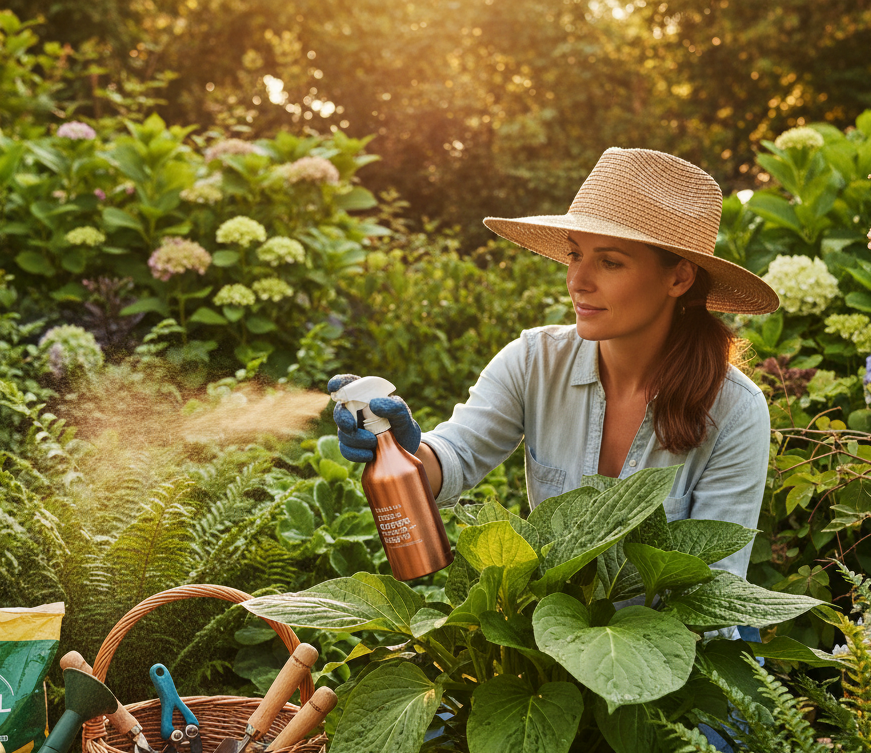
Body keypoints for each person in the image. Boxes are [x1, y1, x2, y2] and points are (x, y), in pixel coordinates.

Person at [331, 147, 780, 579]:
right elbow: (458, 454)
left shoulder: (734, 411)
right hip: (548, 641)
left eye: (609, 262)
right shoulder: (533, 362)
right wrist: (403, 454)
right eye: (575, 254)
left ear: (678, 277)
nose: (577, 281)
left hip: (673, 651)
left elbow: (717, 588)